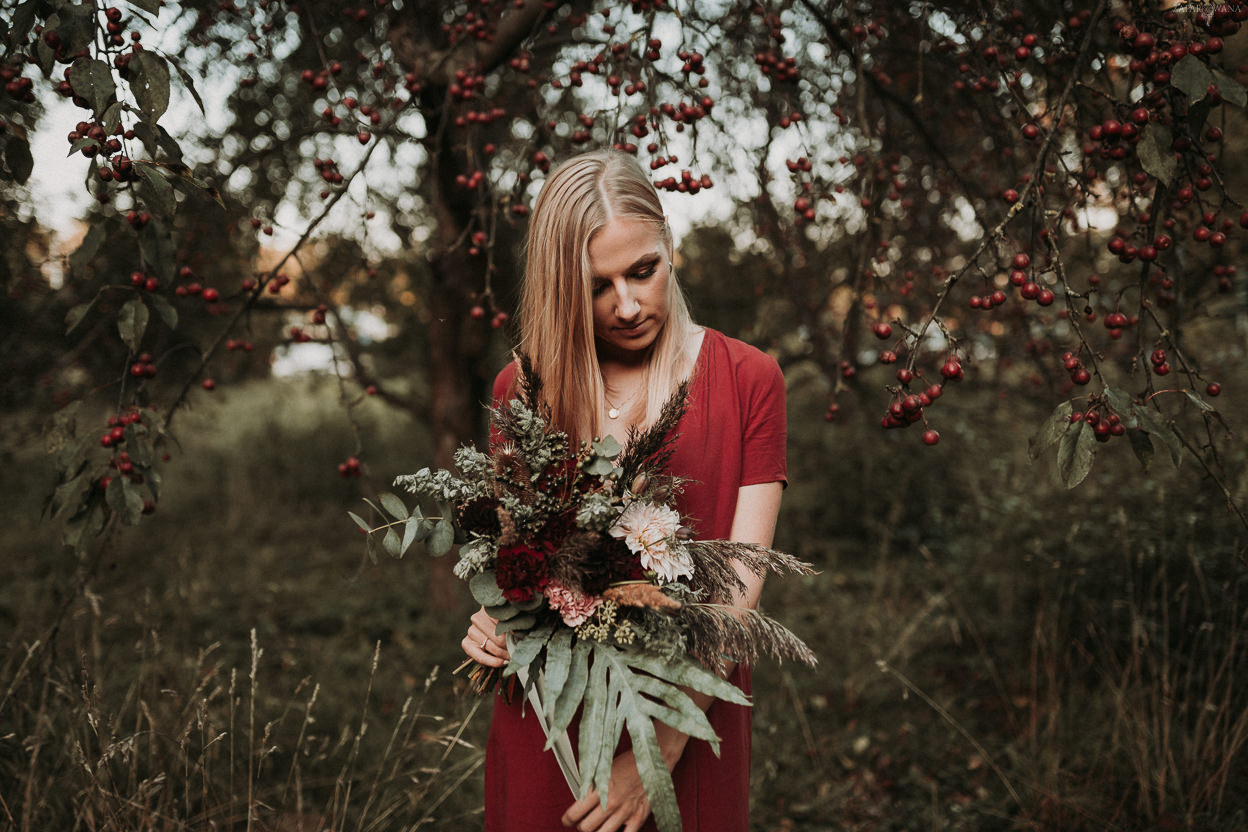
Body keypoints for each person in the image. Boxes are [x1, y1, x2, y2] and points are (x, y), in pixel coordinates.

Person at [460, 149, 787, 832]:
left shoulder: (749, 379)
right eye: (597, 285)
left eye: (644, 270)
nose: (629, 304)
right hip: (546, 711)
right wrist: (493, 617)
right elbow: (514, 556)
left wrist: (657, 751)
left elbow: (737, 593)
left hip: (683, 711)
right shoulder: (521, 391)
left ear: (672, 247)